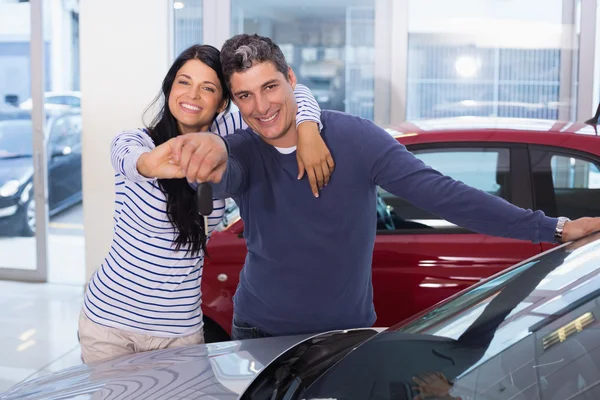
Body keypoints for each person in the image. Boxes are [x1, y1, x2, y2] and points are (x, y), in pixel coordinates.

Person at [166, 34, 600, 341]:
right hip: (258, 331)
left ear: (291, 79)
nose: (260, 107)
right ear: (234, 102)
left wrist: (556, 228)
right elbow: (221, 172)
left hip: (346, 333)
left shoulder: (357, 140)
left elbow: (445, 195)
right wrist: (206, 156)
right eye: (244, 96)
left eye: (269, 87)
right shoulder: (240, 150)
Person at [77, 44, 332, 363]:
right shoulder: (138, 141)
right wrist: (149, 164)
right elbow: (128, 158)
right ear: (170, 88)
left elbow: (296, 91)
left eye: (207, 87)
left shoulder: (228, 137)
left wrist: (308, 128)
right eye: (184, 82)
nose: (193, 95)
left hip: (179, 328)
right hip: (109, 323)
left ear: (223, 102)